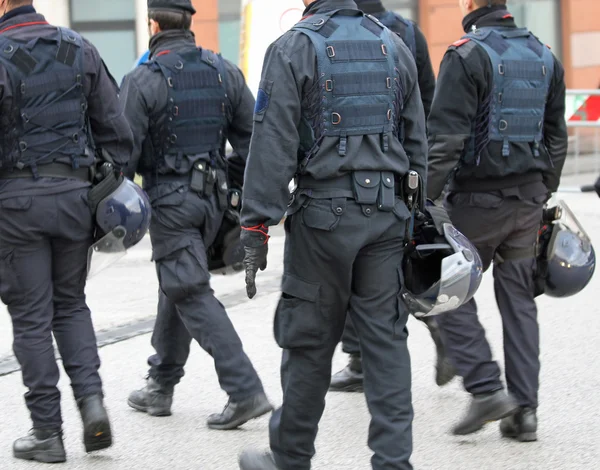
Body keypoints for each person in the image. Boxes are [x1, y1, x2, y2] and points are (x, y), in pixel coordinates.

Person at [238, 0, 428, 468]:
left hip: (323, 219)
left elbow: (272, 140)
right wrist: (416, 212)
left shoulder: (294, 46)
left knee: (308, 341)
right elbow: (416, 138)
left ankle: (290, 458)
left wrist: (255, 224)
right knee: (386, 343)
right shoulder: (393, 43)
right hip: (387, 215)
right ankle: (393, 461)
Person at [119, 0, 273, 430]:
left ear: (153, 24)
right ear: (189, 22)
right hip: (214, 203)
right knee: (178, 283)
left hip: (171, 205)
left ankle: (244, 390)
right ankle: (161, 384)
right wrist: (236, 191)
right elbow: (253, 142)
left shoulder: (144, 79)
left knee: (187, 287)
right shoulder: (225, 72)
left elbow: (122, 156)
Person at [426, 0, 568, 440]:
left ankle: (486, 387)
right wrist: (543, 189)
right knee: (520, 305)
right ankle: (524, 413)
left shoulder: (466, 54)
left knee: (442, 291)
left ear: (470, 4)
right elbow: (556, 136)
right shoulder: (546, 55)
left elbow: (445, 141)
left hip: (476, 203)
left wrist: (422, 202)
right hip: (527, 202)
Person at [0, 0, 134, 463]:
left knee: (32, 318)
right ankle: (92, 406)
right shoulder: (80, 47)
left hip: (15, 204)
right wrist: (101, 187)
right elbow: (118, 132)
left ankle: (47, 433)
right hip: (76, 199)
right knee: (71, 305)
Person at [330, 0, 456, 393]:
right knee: (399, 258)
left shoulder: (331, 32)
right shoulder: (406, 32)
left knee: (353, 262)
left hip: (349, 167)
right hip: (400, 165)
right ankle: (438, 331)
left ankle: (360, 360)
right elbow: (427, 104)